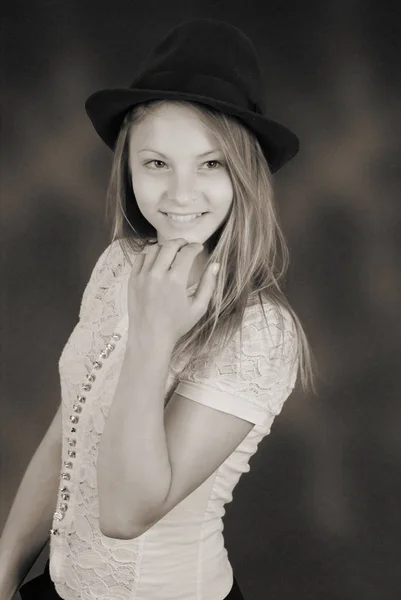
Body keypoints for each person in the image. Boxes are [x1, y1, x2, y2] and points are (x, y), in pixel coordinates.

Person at [1, 17, 317, 600]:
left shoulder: (261, 332)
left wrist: (151, 334)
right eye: (156, 163)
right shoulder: (119, 264)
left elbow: (125, 515)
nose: (179, 194)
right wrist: (2, 574)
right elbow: (66, 432)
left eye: (211, 163)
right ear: (128, 166)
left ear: (245, 175)